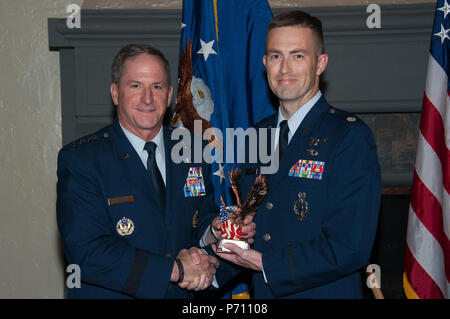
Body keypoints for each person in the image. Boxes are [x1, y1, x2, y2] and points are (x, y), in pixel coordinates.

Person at [56, 44, 254, 298]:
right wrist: (176, 271)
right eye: (136, 85)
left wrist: (215, 231)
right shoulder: (82, 160)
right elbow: (87, 251)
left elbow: (198, 219)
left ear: (170, 94)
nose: (147, 98)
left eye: (157, 87)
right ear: (115, 93)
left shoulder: (192, 150)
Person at [214, 10, 381, 298]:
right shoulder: (256, 134)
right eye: (276, 56)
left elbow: (351, 245)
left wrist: (268, 265)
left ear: (321, 64)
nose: (285, 68)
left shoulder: (349, 136)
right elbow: (252, 223)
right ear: (265, 64)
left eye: (298, 55)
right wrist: (215, 258)